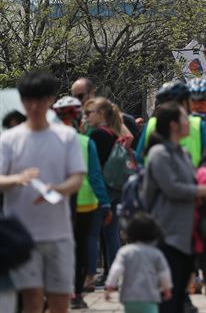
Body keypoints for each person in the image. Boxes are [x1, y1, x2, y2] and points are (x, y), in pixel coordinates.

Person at [0, 71, 85, 313]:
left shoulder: (67, 136)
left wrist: (56, 188)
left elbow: (77, 178)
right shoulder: (9, 139)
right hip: (21, 236)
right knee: (32, 298)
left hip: (59, 233)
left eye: (40, 100)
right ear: (22, 101)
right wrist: (18, 179)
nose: (34, 107)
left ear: (50, 100)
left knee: (60, 301)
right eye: (28, 100)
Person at [142, 101, 206, 313]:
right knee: (168, 299)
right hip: (167, 235)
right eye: (185, 118)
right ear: (174, 125)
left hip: (186, 235)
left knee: (178, 297)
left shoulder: (180, 152)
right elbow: (172, 188)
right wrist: (202, 191)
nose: (189, 122)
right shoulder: (159, 154)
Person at [52, 96, 112, 309]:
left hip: (55, 203)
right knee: (83, 247)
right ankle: (76, 294)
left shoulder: (47, 140)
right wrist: (105, 204)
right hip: (86, 202)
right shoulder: (86, 142)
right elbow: (95, 176)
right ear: (79, 118)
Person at [84, 96, 128, 286]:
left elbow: (94, 166)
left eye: (89, 113)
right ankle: (114, 275)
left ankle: (91, 277)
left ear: (101, 114)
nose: (86, 117)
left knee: (95, 233)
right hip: (117, 186)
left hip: (104, 187)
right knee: (112, 233)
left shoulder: (96, 135)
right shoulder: (114, 132)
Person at [105, 213, 173, 313]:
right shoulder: (156, 253)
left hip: (129, 298)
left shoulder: (125, 251)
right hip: (150, 297)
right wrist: (167, 288)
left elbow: (116, 269)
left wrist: (110, 286)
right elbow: (164, 272)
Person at [136, 81, 206, 167]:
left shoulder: (151, 124)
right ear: (184, 103)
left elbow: (139, 159)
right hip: (193, 179)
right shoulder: (197, 123)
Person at [71, 77, 140, 147]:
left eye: (80, 96)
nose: (76, 101)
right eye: (74, 97)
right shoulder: (76, 119)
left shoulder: (118, 117)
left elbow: (131, 142)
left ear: (92, 93)